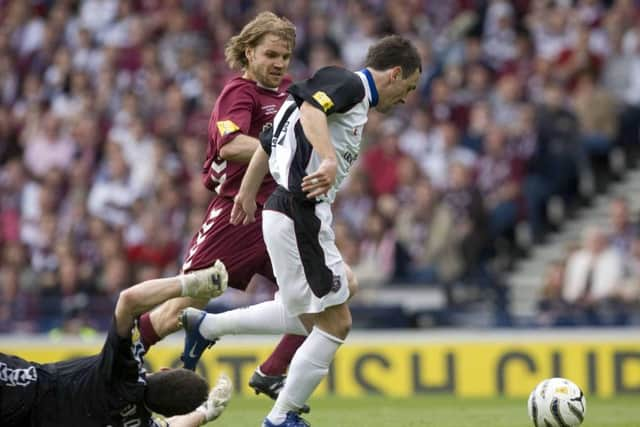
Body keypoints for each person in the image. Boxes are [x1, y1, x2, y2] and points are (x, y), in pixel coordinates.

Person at [181, 35, 421, 427]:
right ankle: (281, 417)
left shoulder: (341, 93)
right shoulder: (350, 85)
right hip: (300, 213)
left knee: (309, 314)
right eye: (408, 88)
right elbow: (311, 111)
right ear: (395, 74)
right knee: (335, 323)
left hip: (288, 212)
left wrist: (246, 191)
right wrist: (327, 159)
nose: (406, 98)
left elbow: (269, 136)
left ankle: (209, 325)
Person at [134, 12, 309, 409]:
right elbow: (232, 147)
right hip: (237, 217)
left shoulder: (290, 92)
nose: (280, 63)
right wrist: (289, 148)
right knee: (182, 305)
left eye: (286, 55)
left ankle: (271, 370)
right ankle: (120, 362)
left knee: (323, 296)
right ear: (249, 52)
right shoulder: (239, 93)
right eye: (271, 54)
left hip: (281, 215)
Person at [1, 261, 232, 427]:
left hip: (20, 390)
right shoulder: (140, 422)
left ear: (165, 369)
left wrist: (191, 283)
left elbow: (129, 301)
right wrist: (206, 412)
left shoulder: (125, 370)